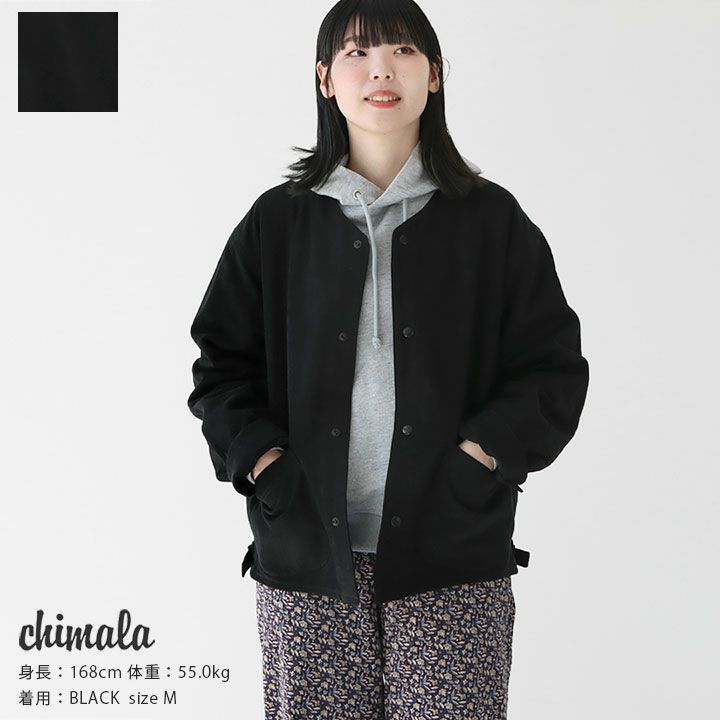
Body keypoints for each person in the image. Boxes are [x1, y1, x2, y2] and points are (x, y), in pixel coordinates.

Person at [187, 1, 590, 718]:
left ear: (434, 75)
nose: (381, 71)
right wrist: (266, 466)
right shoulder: (277, 223)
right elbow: (222, 368)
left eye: (403, 51)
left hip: (452, 555)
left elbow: (551, 366)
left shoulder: (489, 220)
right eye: (358, 53)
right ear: (324, 78)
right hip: (307, 556)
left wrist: (481, 458)